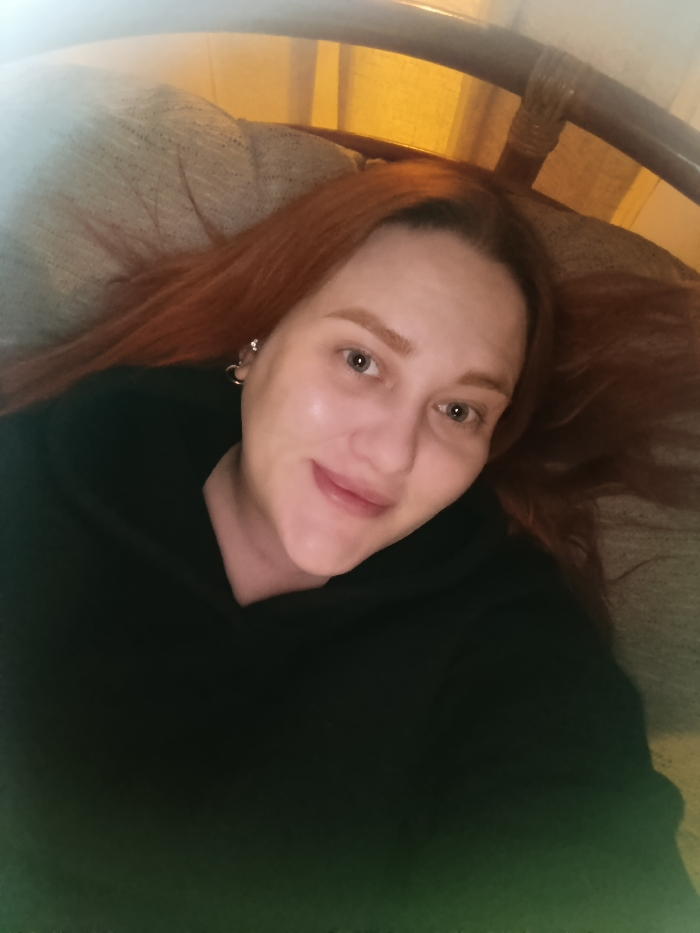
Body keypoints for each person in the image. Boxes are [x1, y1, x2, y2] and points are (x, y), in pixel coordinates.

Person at [0, 159, 699, 932]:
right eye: (361, 360)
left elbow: (588, 858)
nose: (394, 453)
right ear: (257, 341)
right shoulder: (43, 472)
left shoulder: (516, 646)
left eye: (459, 410)